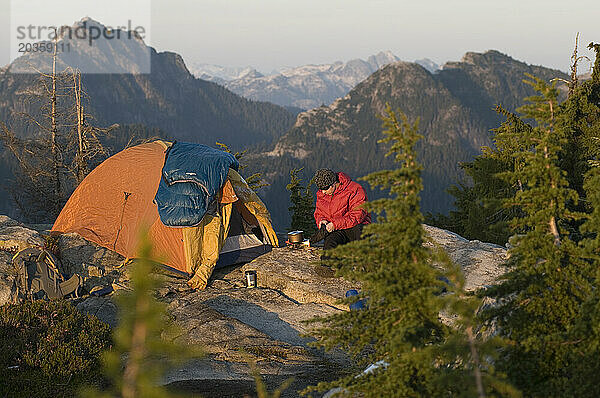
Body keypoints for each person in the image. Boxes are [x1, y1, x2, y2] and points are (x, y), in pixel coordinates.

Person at [312, 168, 371, 251]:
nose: (323, 192)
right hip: (337, 229)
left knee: (360, 234)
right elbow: (319, 213)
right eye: (321, 189)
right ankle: (328, 263)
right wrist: (322, 221)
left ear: (333, 184)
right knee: (329, 245)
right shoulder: (322, 194)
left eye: (325, 189)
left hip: (356, 227)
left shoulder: (355, 189)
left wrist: (335, 224)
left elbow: (358, 216)